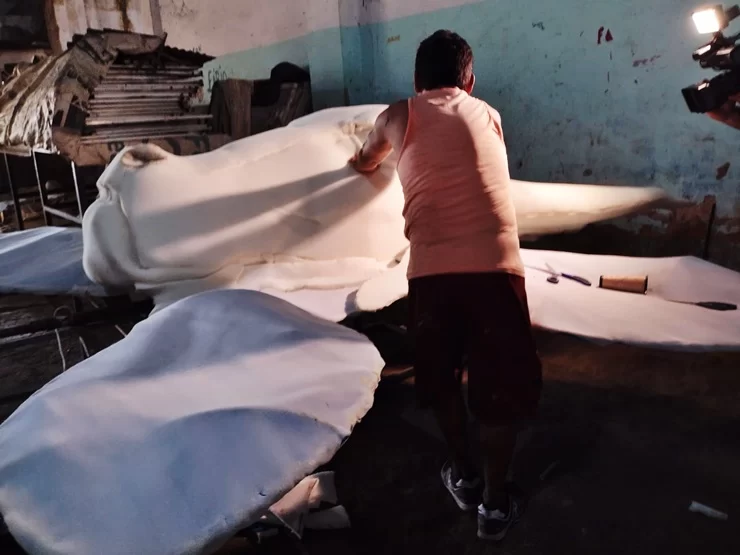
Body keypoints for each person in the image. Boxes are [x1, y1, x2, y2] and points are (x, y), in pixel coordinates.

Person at [349, 30, 542, 541]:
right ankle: (494, 506)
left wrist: (361, 162)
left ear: (415, 80)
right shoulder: (490, 115)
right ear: (469, 82)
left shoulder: (398, 115)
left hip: (433, 276)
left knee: (440, 381)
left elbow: (365, 159)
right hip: (498, 270)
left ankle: (464, 474)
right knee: (499, 391)